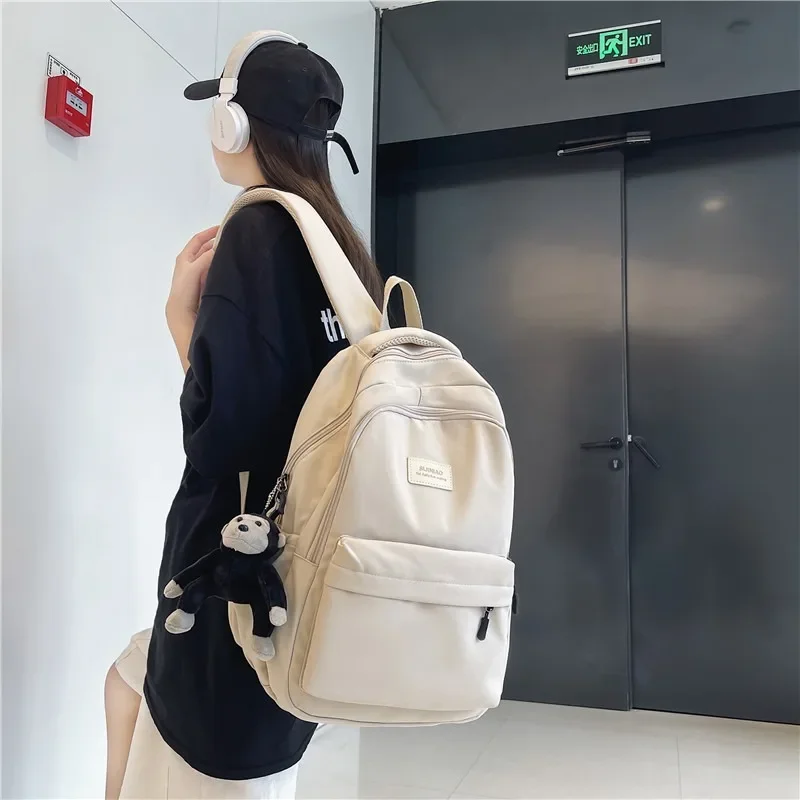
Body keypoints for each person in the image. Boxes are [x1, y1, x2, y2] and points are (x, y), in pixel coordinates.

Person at [104, 33, 382, 799]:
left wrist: (180, 322)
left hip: (231, 571)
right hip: (300, 566)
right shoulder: (339, 252)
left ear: (235, 123)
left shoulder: (256, 232)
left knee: (209, 763)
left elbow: (222, 437)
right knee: (125, 682)